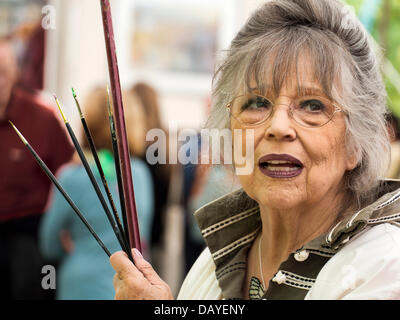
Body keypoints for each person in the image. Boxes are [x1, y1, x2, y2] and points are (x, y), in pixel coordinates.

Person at [110, 0, 400, 300]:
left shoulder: (384, 266)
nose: (278, 126)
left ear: (356, 142)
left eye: (313, 106)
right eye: (256, 103)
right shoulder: (215, 260)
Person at [39, 87, 154, 299]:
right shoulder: (139, 174)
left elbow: (48, 244)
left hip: (81, 284)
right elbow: (142, 238)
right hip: (131, 285)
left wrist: (72, 243)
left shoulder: (71, 176)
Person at [0, 38, 74, 299]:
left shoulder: (42, 119)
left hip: (27, 242)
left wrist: (66, 227)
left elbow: (68, 175)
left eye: (4, 71)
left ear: (16, 73)